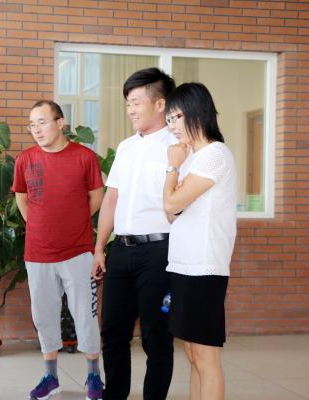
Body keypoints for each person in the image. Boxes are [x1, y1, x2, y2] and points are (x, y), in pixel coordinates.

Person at [92, 68, 176, 400]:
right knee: (113, 333)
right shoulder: (126, 147)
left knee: (157, 336)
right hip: (121, 251)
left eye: (137, 102)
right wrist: (100, 247)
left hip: (160, 252)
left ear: (160, 104)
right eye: (127, 103)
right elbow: (112, 198)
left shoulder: (178, 146)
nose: (130, 110)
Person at [13, 100, 105, 400]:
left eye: (42, 122)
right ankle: (50, 377)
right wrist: (37, 224)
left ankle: (94, 375)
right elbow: (22, 197)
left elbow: (96, 197)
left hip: (78, 252)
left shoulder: (85, 157)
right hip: (38, 253)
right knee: (44, 316)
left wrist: (74, 222)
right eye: (32, 125)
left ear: (60, 122)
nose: (36, 130)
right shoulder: (25, 159)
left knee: (85, 315)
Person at [162, 82, 237, 400]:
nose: (172, 126)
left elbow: (170, 204)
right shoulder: (194, 158)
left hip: (204, 268)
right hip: (184, 265)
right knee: (193, 354)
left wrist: (172, 167)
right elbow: (172, 214)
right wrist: (177, 175)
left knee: (206, 357)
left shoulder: (214, 155)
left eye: (176, 117)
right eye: (168, 120)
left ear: (197, 111)